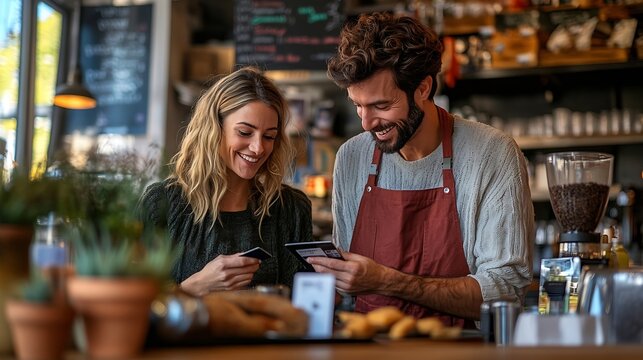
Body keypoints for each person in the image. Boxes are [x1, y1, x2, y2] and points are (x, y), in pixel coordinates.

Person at [307, 12, 534, 326]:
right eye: (358, 105)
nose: (367, 123)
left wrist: (388, 281)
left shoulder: (490, 153)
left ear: (423, 88)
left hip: (460, 348)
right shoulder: (352, 157)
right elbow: (345, 288)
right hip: (367, 348)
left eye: (381, 106)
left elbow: (504, 291)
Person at [140, 67, 313, 296]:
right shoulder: (162, 205)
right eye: (244, 132)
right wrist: (192, 288)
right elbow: (129, 306)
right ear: (213, 129)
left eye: (269, 136)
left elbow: (307, 307)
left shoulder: (291, 209)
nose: (258, 148)